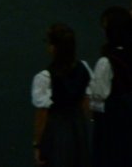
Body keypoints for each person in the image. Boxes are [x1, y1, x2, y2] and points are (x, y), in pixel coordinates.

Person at [32, 22, 93, 167]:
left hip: (57, 131)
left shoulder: (45, 77)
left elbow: (42, 114)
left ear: (53, 48)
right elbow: (86, 103)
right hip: (78, 127)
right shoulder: (83, 68)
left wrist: (37, 144)